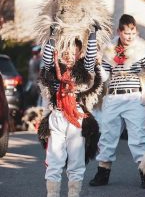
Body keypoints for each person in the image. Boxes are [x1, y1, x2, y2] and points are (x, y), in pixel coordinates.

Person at [89, 14, 145, 189]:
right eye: (126, 32)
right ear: (119, 31)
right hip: (113, 96)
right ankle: (102, 173)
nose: (129, 36)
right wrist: (98, 64)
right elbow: (104, 75)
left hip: (134, 97)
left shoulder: (142, 48)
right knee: (108, 135)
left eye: (132, 32)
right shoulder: (109, 49)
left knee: (138, 136)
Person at [38, 21, 101, 197]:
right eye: (65, 50)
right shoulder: (53, 70)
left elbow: (90, 59)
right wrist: (52, 36)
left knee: (76, 162)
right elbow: (47, 58)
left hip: (77, 119)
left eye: (74, 51)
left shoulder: (84, 70)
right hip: (57, 117)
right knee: (54, 161)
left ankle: (73, 194)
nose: (69, 54)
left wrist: (93, 34)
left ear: (79, 53)